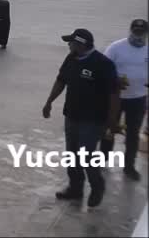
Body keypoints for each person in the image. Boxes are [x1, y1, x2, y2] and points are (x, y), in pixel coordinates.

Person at [42, 29, 120, 208]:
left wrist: (112, 120)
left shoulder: (103, 64)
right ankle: (75, 188)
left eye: (71, 42)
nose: (69, 45)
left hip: (93, 120)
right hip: (72, 115)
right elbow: (61, 81)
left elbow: (114, 93)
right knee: (72, 154)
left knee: (86, 156)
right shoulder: (71, 58)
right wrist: (49, 102)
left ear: (81, 44)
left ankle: (97, 185)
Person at [100, 19, 148, 181]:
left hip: (138, 98)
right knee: (109, 130)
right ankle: (102, 161)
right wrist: (115, 80)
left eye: (141, 32)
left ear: (146, 33)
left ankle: (129, 167)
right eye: (135, 31)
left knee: (133, 134)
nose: (137, 35)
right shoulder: (116, 47)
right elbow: (103, 68)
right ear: (130, 30)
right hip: (115, 98)